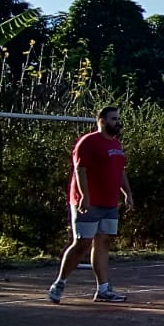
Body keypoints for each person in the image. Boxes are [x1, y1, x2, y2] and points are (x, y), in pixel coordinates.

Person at [47, 106, 134, 304]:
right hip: (89, 203)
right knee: (82, 243)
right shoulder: (88, 142)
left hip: (109, 203)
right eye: (113, 119)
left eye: (118, 118)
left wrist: (127, 193)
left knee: (103, 242)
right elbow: (80, 170)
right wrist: (85, 196)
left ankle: (103, 289)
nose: (117, 122)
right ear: (102, 121)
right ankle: (59, 283)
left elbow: (120, 170)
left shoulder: (116, 144)